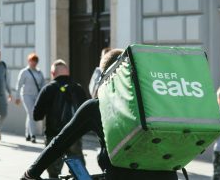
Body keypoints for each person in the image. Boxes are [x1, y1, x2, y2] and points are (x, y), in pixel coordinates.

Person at [21, 49, 178, 180]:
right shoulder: (157, 105)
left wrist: (30, 174)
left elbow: (59, 144)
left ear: (105, 76)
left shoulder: (99, 106)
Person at [31, 59, 89, 178]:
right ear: (67, 72)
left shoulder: (48, 89)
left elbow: (37, 115)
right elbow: (87, 113)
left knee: (53, 174)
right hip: (74, 136)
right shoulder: (78, 88)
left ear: (53, 73)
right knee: (79, 173)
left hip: (54, 137)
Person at [16, 53, 45, 143]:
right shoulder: (24, 72)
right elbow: (19, 84)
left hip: (36, 96)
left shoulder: (39, 72)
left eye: (35, 61)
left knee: (30, 114)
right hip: (26, 95)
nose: (33, 63)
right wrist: (17, 97)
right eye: (32, 61)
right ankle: (33, 135)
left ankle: (27, 134)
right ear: (29, 61)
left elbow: (43, 85)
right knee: (32, 113)